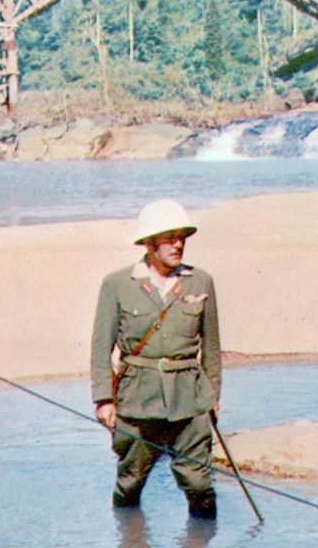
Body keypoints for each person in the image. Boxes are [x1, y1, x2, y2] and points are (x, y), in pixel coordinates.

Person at [90, 199, 222, 519]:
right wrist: (104, 399)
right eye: (169, 237)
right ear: (149, 243)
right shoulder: (117, 284)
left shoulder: (200, 281)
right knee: (130, 482)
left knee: (200, 485)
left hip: (189, 400)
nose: (178, 244)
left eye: (182, 237)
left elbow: (213, 350)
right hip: (137, 400)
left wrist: (212, 398)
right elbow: (100, 347)